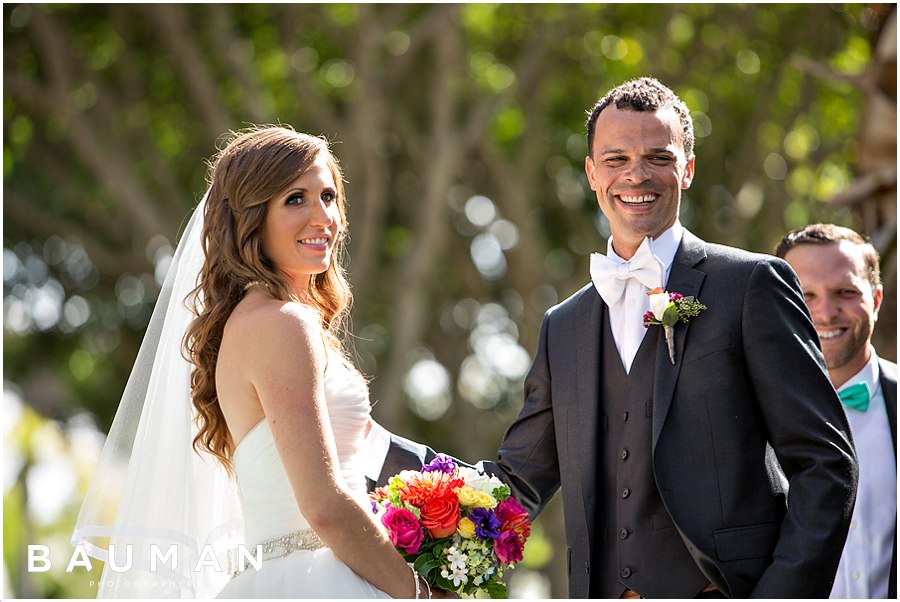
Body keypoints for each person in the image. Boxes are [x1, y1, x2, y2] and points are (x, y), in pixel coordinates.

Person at [367, 77, 858, 598]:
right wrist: (371, 445)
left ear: (688, 169)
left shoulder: (751, 285)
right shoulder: (565, 325)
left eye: (658, 157)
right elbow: (514, 485)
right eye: (616, 159)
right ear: (591, 173)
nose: (636, 175)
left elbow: (825, 464)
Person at [72, 126, 436, 598]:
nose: (322, 216)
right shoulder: (283, 324)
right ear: (250, 218)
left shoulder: (256, 321)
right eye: (294, 200)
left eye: (328, 196)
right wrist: (419, 593)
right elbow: (322, 504)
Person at [776, 224, 897, 599]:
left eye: (845, 292)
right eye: (805, 295)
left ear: (875, 299)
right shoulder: (742, 415)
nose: (825, 313)